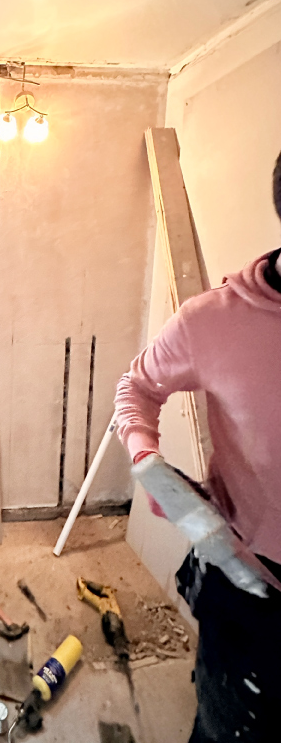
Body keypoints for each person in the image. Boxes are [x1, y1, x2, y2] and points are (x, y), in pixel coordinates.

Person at [114, 152, 281, 742]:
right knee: (228, 730)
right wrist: (147, 460)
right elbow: (136, 387)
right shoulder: (216, 321)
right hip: (253, 584)